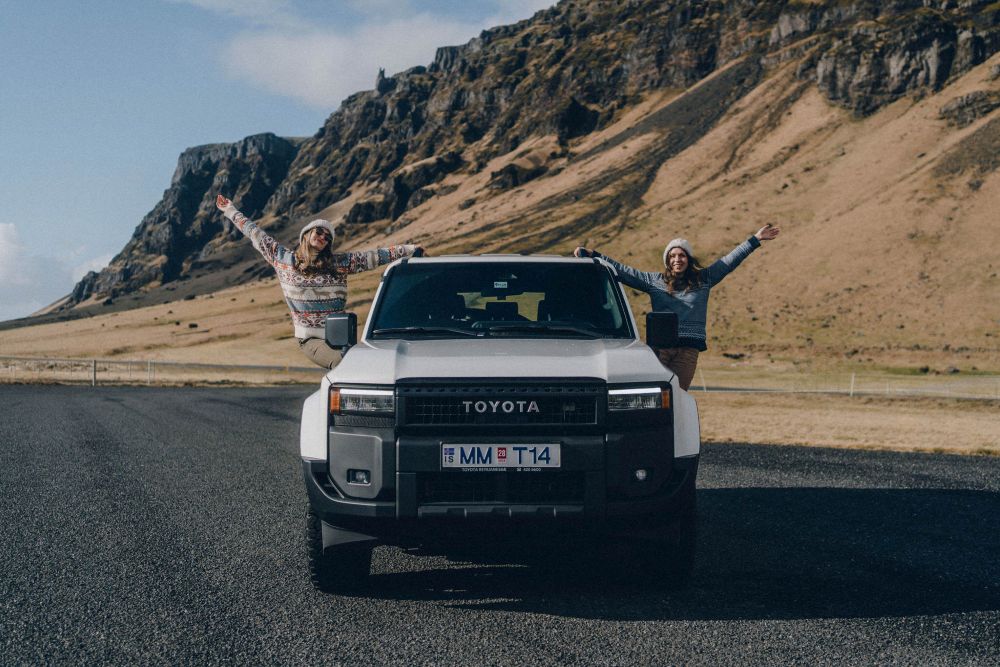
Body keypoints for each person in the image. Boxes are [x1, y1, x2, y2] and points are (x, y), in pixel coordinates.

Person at [216, 194, 423, 368]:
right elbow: (255, 234)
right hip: (311, 339)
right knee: (346, 364)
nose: (323, 237)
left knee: (367, 365)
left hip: (341, 336)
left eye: (327, 237)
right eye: (319, 232)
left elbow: (375, 257)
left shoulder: (339, 263)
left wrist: (410, 250)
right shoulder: (283, 259)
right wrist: (230, 210)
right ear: (306, 235)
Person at [574, 224, 780, 390]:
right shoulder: (654, 281)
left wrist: (755, 239)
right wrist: (594, 255)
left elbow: (729, 261)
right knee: (656, 396)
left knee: (678, 397)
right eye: (672, 256)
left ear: (688, 259)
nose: (677, 259)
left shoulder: (704, 279)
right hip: (660, 350)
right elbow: (624, 271)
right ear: (667, 260)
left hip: (688, 351)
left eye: (681, 255)